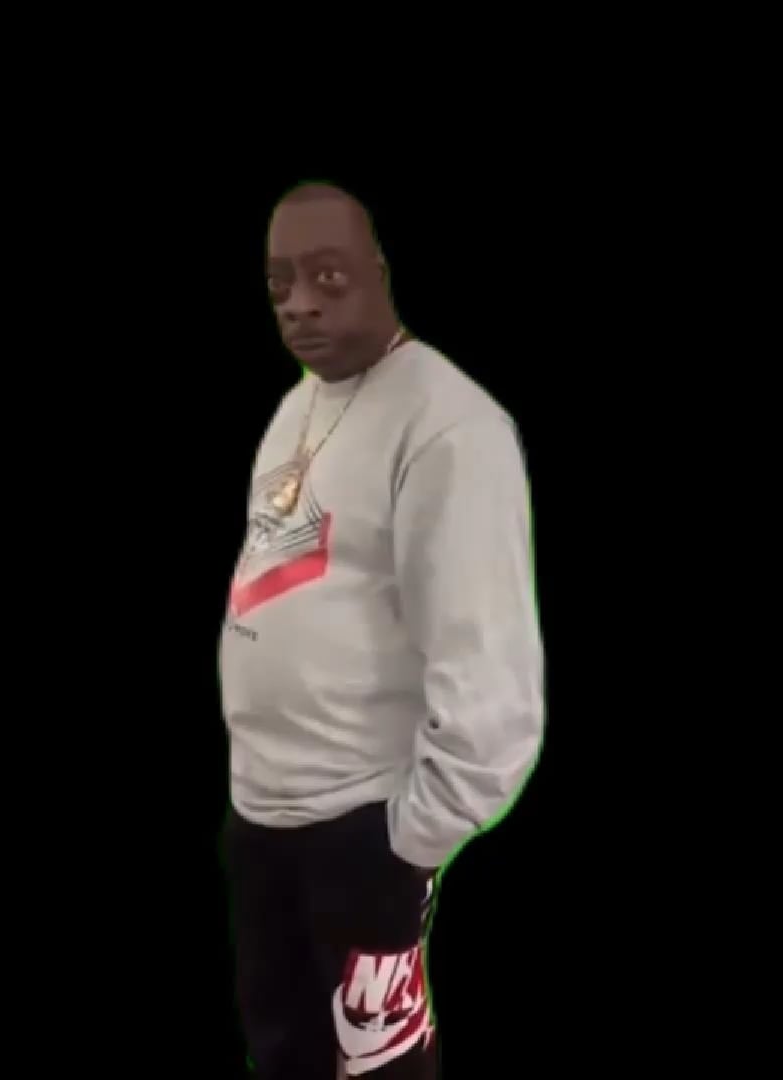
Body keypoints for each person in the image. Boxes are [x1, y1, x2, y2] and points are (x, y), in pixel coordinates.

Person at [221, 182, 545, 1079]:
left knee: (377, 1073)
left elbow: (490, 674)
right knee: (283, 1056)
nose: (298, 303)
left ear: (380, 272)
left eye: (327, 276)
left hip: (363, 830)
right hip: (261, 819)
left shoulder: (449, 425)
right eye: (279, 282)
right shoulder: (296, 407)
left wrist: (410, 842)